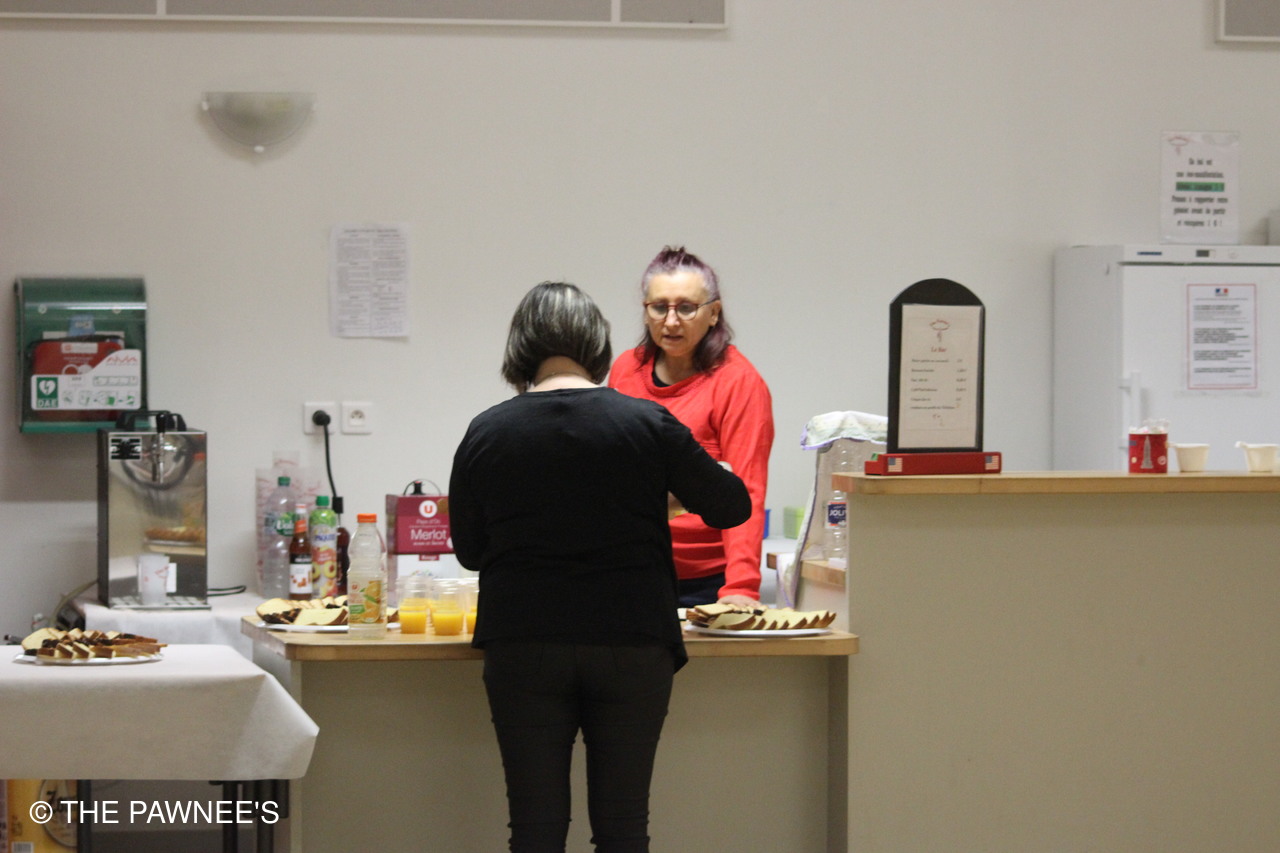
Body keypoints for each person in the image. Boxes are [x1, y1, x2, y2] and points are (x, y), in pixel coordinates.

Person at [449, 281, 750, 853]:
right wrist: (662, 498)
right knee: (623, 827)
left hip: (524, 642)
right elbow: (730, 506)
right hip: (633, 640)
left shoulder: (487, 431)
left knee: (534, 829)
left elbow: (469, 550)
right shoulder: (648, 423)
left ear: (521, 345)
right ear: (597, 343)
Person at [608, 246, 774, 608]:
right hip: (633, 567)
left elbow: (747, 489)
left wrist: (741, 587)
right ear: (645, 311)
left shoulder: (738, 382)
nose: (671, 322)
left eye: (686, 308)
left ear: (713, 313)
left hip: (707, 581)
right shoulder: (624, 371)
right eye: (659, 307)